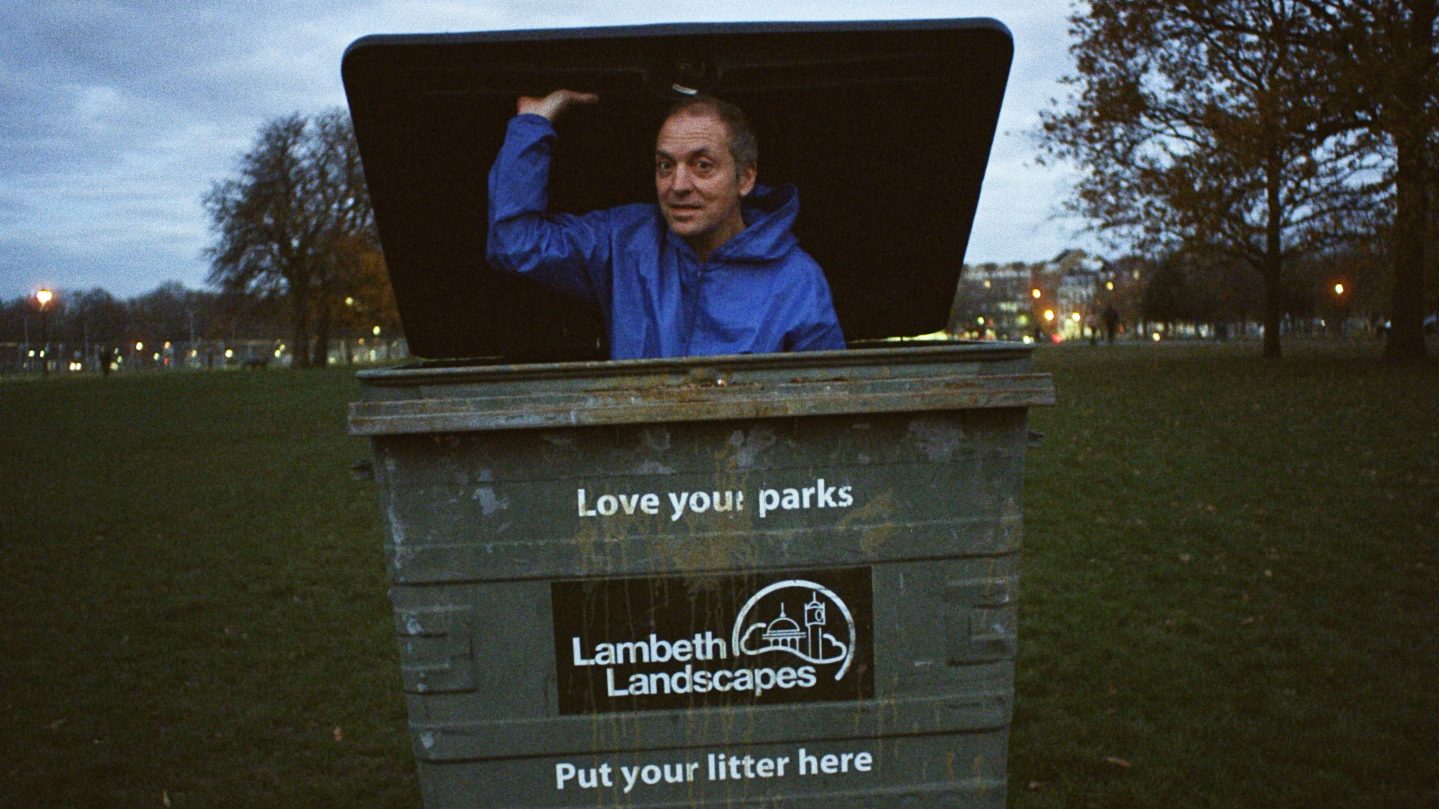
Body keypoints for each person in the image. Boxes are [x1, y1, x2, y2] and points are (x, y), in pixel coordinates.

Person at [486, 89, 845, 360]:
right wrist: (533, 125)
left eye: (702, 165)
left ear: (745, 179)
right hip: (644, 456)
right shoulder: (625, 243)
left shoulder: (796, 281)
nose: (679, 185)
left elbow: (830, 405)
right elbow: (515, 242)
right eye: (665, 166)